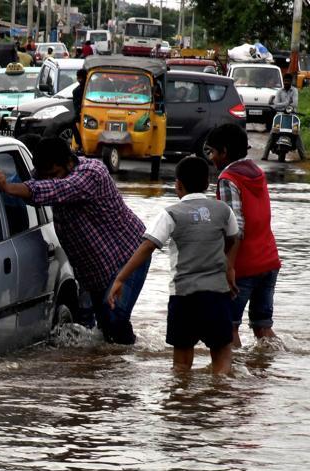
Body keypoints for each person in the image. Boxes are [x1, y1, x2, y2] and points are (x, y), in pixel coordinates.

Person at [0, 136, 148, 344]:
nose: (49, 180)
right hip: (95, 270)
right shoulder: (47, 175)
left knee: (113, 320)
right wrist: (0, 187)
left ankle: (128, 365)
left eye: (54, 175)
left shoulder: (92, 173)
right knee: (104, 332)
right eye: (45, 176)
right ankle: (113, 367)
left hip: (129, 256)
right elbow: (26, 185)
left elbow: (54, 190)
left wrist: (9, 187)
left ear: (69, 163)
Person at [108, 156, 239, 375]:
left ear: (178, 184)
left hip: (183, 297)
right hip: (217, 295)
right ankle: (218, 401)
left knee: (181, 365)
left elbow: (147, 247)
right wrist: (229, 267)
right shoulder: (223, 211)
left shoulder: (170, 214)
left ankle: (180, 404)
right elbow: (233, 239)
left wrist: (120, 278)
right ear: (207, 183)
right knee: (222, 356)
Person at [206, 123, 281, 347]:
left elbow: (235, 227)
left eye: (212, 152)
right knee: (263, 328)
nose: (211, 157)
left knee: (229, 327)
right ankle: (267, 376)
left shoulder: (228, 178)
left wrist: (229, 267)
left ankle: (232, 380)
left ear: (224, 152)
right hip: (269, 261)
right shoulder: (257, 171)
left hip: (244, 266)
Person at [71, 68, 87, 152]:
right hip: (81, 113)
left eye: (81, 78)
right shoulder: (76, 91)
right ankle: (79, 143)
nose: (79, 80)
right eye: (78, 78)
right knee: (72, 121)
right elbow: (76, 106)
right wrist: (79, 113)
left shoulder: (91, 88)